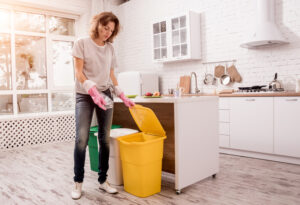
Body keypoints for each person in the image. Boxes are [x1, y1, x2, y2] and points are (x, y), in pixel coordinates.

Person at [71, 11, 135, 200]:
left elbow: (111, 74)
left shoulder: (110, 49)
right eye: (105, 27)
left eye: (111, 30)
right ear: (97, 24)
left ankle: (102, 180)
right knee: (81, 138)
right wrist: (91, 90)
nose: (107, 33)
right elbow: (78, 72)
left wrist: (121, 94)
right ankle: (78, 182)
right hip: (85, 94)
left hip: (105, 94)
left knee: (104, 138)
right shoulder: (81, 43)